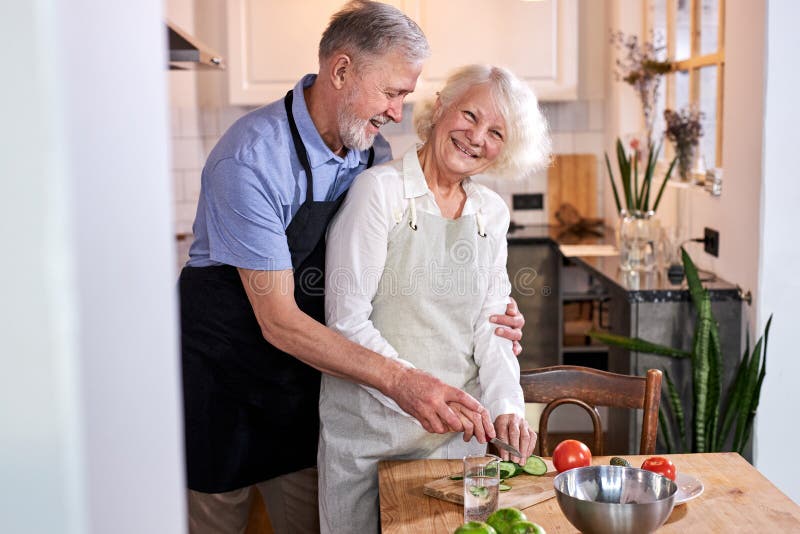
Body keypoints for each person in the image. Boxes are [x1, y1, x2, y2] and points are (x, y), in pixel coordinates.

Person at [178, 2, 525, 533]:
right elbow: (279, 321)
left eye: (406, 96)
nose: (397, 112)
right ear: (341, 71)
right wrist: (406, 381)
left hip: (305, 386)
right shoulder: (251, 161)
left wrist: (481, 307)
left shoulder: (367, 148)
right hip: (226, 383)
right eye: (391, 93)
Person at [319, 63, 551, 533]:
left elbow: (495, 325)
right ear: (441, 105)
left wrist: (507, 405)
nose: (476, 137)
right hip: (373, 442)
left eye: (496, 133)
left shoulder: (491, 212)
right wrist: (417, 390)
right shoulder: (379, 193)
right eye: (470, 114)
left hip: (457, 449)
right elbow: (345, 322)